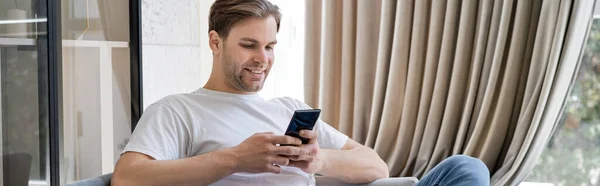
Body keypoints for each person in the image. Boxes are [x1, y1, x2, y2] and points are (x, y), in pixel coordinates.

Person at [111, 0, 490, 185]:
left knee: (467, 168)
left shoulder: (289, 108)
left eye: (270, 46)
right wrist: (236, 159)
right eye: (249, 45)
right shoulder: (178, 110)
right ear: (215, 41)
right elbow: (128, 177)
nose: (262, 59)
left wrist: (316, 160)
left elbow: (376, 166)